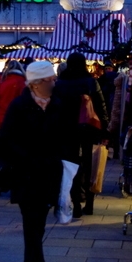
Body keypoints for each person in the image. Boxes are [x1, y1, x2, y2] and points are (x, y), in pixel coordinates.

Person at [1, 61, 68, 262]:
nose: (55, 82)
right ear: (38, 83)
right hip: (26, 175)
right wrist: (27, 158)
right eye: (51, 79)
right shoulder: (19, 106)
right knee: (32, 224)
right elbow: (6, 140)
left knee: (37, 226)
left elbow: (65, 138)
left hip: (49, 174)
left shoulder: (58, 105)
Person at [54, 52, 109, 217]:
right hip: (88, 129)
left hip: (66, 130)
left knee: (71, 165)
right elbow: (101, 106)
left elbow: (54, 108)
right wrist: (105, 128)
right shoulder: (91, 82)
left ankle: (75, 203)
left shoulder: (60, 84)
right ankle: (89, 203)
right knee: (89, 164)